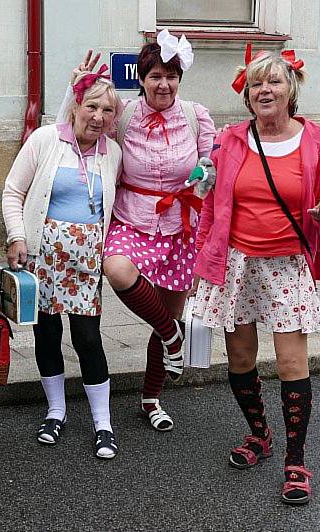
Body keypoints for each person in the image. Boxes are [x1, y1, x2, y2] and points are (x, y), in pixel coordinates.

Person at [192, 46, 320, 505]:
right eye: (257, 82)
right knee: (240, 359)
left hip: (286, 266)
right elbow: (210, 201)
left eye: (274, 81)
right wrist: (205, 262)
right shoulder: (231, 139)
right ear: (247, 93)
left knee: (291, 364)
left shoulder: (318, 141)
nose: (265, 89)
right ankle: (259, 435)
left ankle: (295, 459)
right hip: (238, 264)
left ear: (290, 89)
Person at [65, 31, 215, 432]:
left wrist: (201, 180)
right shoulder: (124, 113)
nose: (163, 84)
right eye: (155, 76)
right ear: (142, 79)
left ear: (179, 79)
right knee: (116, 268)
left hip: (181, 225)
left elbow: (210, 166)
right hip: (132, 217)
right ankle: (172, 337)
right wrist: (76, 89)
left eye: (171, 76)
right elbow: (77, 132)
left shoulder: (197, 116)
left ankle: (151, 399)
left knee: (168, 309)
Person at [3, 72, 123, 458]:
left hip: (86, 261)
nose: (99, 116)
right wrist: (17, 236)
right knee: (47, 335)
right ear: (75, 108)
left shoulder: (112, 153)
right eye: (91, 106)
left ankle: (102, 423)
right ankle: (55, 412)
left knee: (88, 338)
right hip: (44, 256)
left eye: (107, 109)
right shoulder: (45, 140)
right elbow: (13, 192)